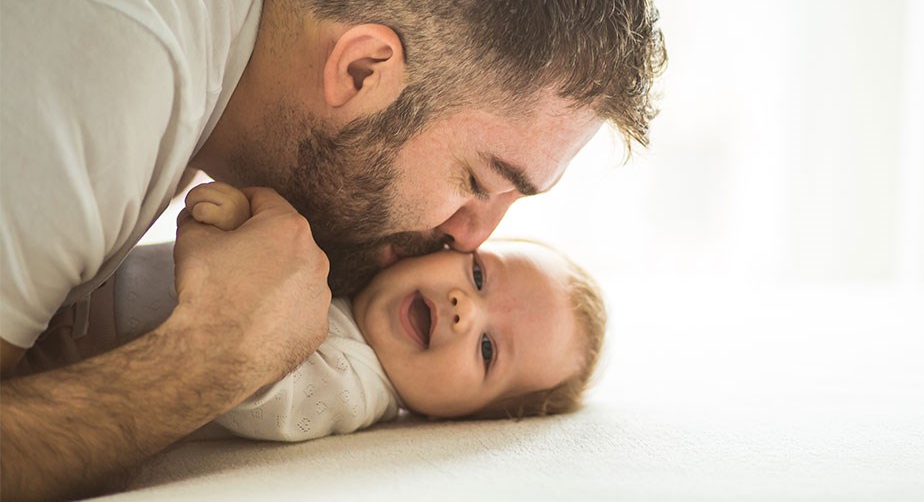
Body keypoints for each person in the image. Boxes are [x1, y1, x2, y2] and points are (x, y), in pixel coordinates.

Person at [0, 0, 664, 499]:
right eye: (476, 181)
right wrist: (208, 358)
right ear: (361, 69)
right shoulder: (115, 65)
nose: (470, 236)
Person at [17, 182, 606, 439]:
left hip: (68, 352)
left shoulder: (352, 384)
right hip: (72, 274)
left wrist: (229, 236)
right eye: (478, 275)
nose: (462, 309)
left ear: (458, 417)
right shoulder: (359, 267)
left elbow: (248, 382)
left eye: (487, 349)